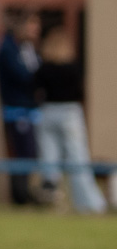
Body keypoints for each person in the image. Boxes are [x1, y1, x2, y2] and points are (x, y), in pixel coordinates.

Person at [34, 26, 104, 214]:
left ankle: (50, 200)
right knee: (78, 158)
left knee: (49, 159)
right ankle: (89, 204)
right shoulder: (74, 68)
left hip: (48, 112)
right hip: (69, 113)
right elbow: (80, 93)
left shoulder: (44, 68)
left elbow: (34, 89)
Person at [0, 11, 43, 206]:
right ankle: (19, 195)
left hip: (31, 109)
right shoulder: (8, 49)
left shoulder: (28, 48)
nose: (35, 32)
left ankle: (25, 192)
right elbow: (23, 76)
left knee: (31, 152)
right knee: (22, 152)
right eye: (32, 27)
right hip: (17, 109)